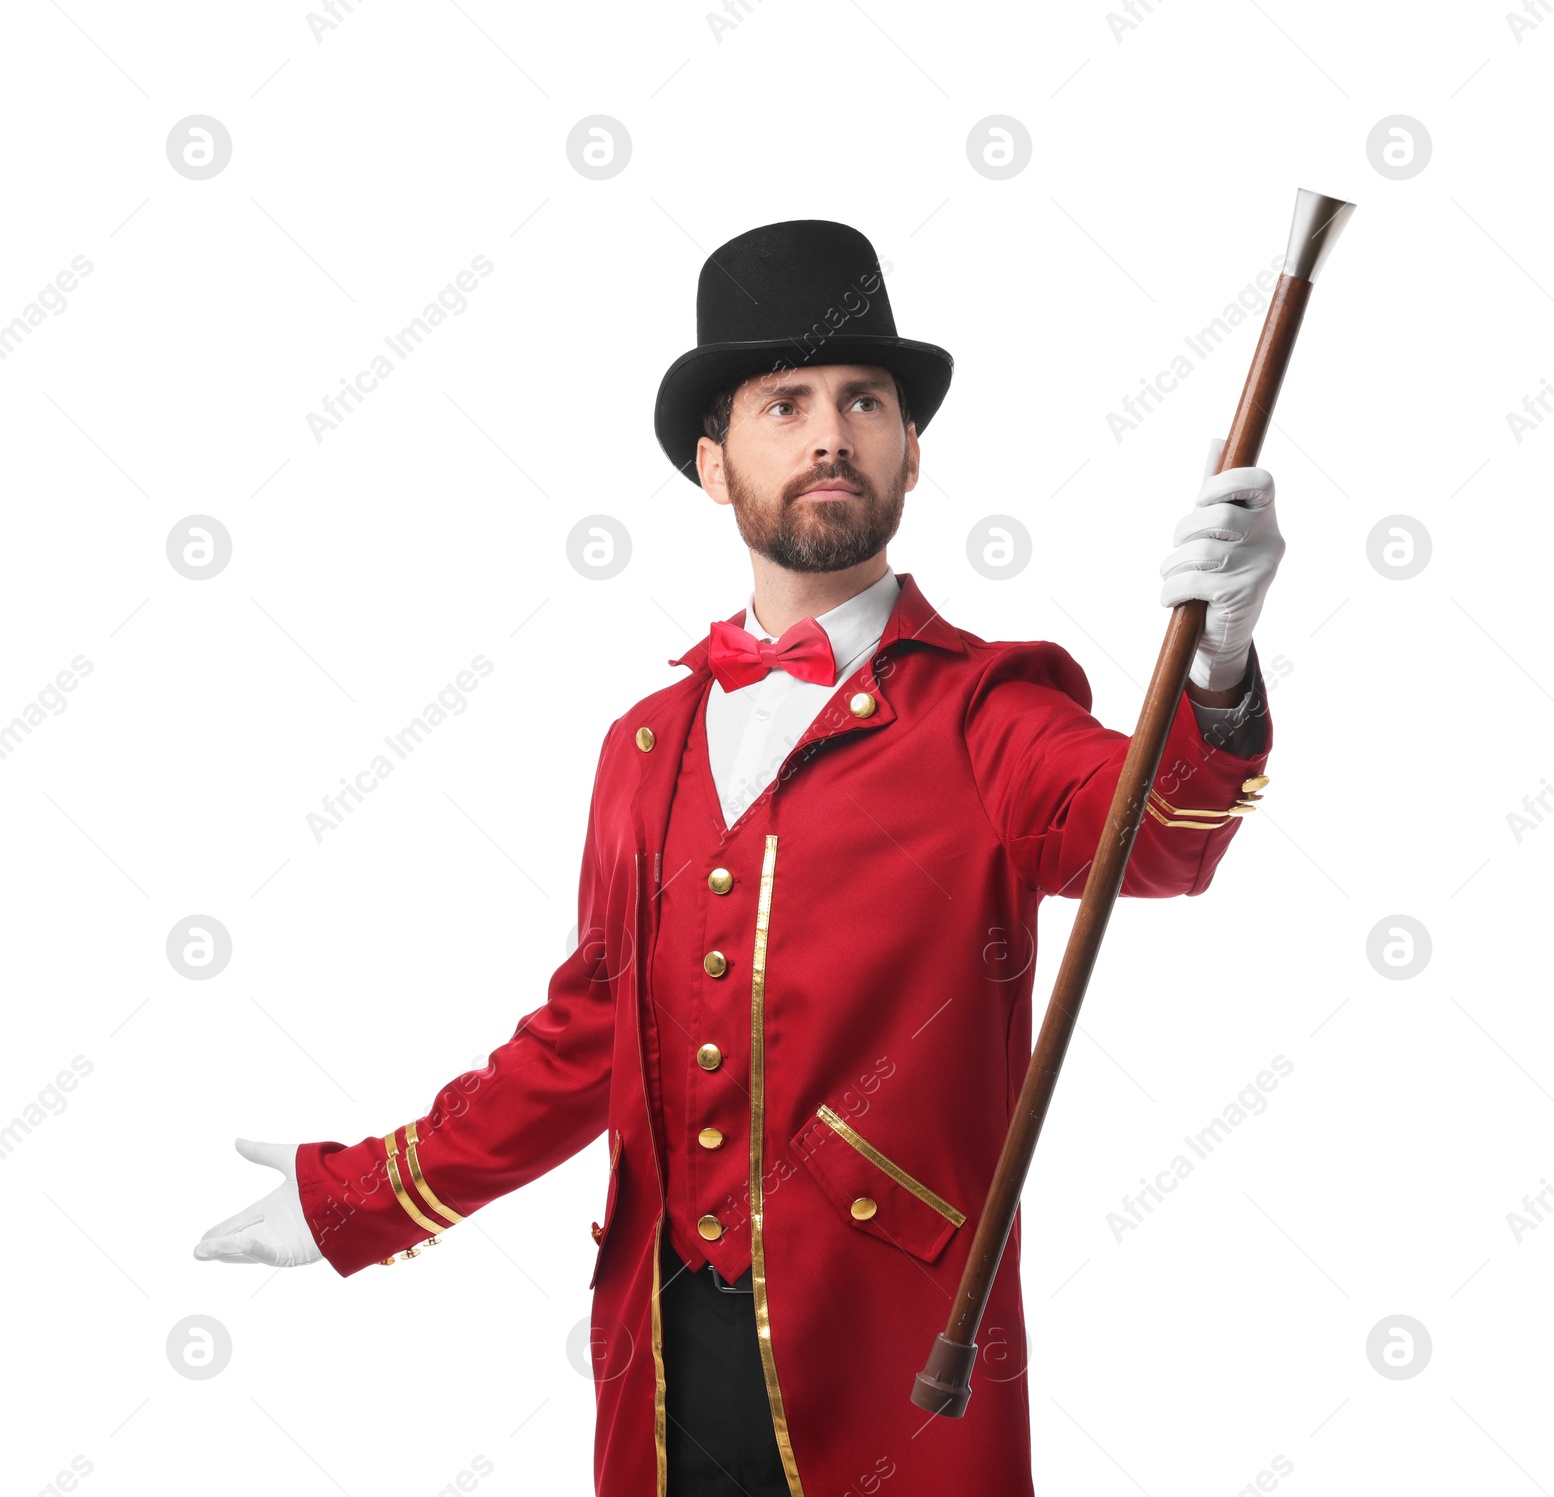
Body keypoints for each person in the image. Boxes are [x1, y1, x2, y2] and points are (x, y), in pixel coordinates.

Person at [195, 219, 1282, 1497]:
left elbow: (1153, 842)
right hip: (662, 1353)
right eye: (784, 405)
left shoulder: (989, 711)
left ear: (909, 453)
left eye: (862, 402)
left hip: (893, 1360)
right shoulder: (643, 746)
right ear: (714, 467)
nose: (830, 434)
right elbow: (585, 1042)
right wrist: (358, 1200)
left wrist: (1217, 659)